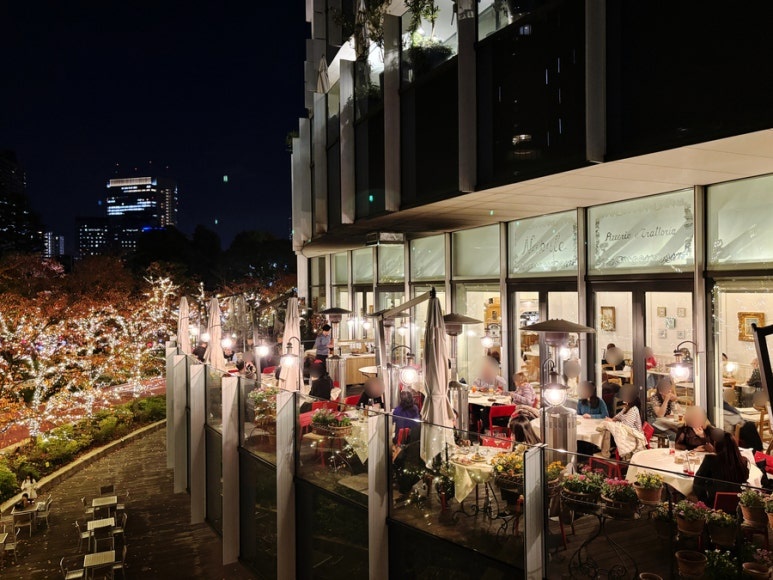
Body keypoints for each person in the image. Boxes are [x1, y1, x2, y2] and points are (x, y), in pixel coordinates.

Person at [693, 431, 749, 505]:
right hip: (737, 503)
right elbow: (744, 482)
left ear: (718, 446)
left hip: (714, 502)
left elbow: (697, 483)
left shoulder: (710, 460)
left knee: (690, 496)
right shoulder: (743, 462)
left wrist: (704, 502)